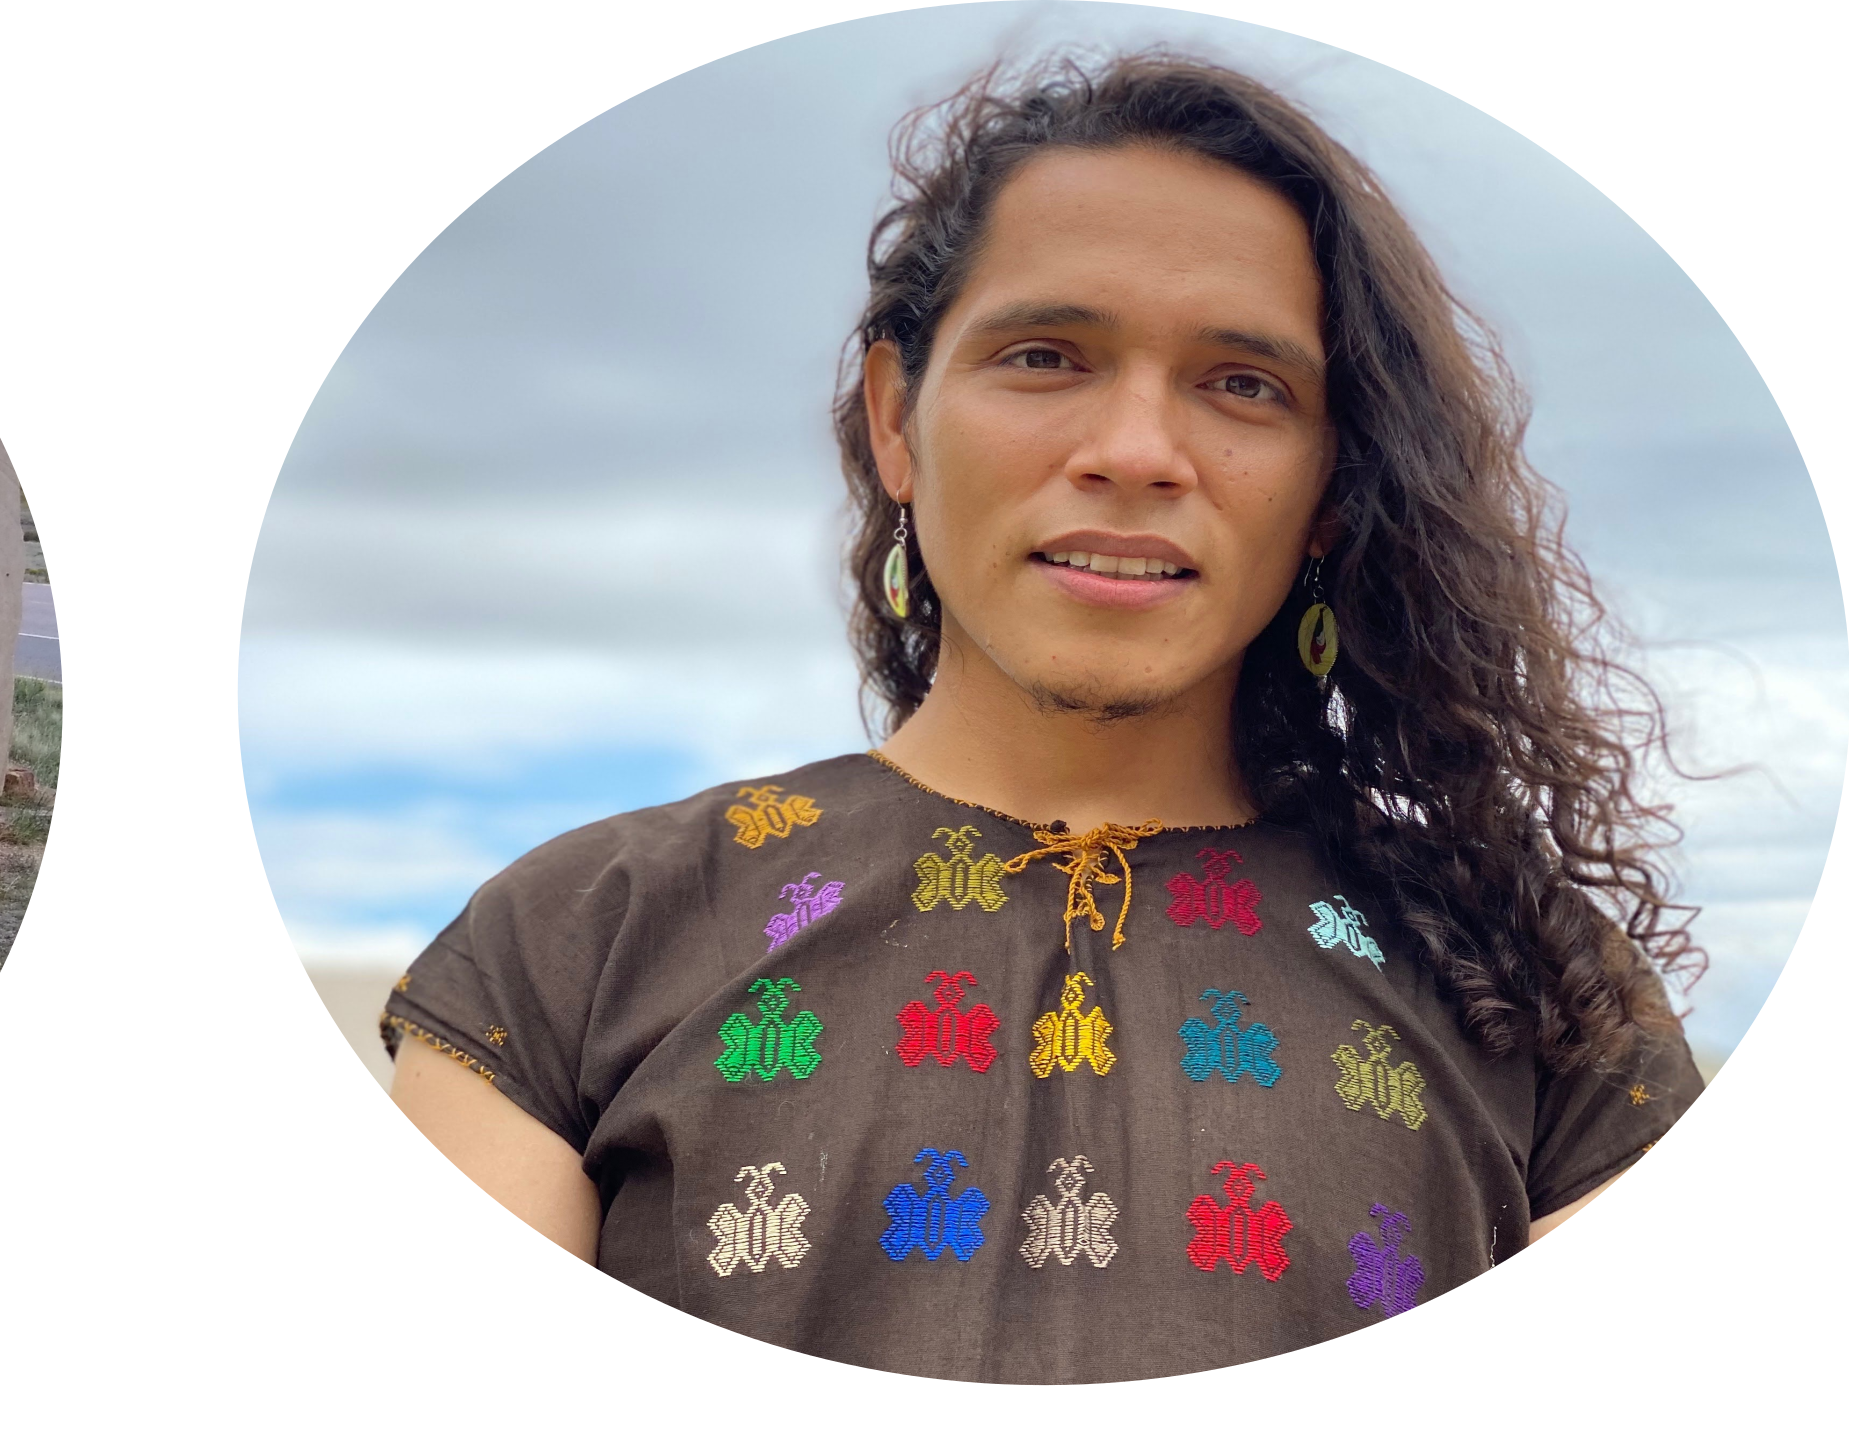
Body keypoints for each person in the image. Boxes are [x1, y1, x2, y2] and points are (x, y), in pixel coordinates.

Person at [379, 53, 1705, 1382]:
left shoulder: (1533, 989)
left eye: (1243, 384)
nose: (1133, 449)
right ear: (896, 420)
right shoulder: (566, 951)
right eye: (1042, 357)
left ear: (1328, 494)